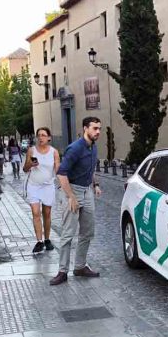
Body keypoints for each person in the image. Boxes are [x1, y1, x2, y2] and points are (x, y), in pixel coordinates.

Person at [50, 117, 103, 285]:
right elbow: (61, 173)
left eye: (99, 128)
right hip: (72, 191)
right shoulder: (75, 148)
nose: (98, 132)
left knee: (87, 231)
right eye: (95, 128)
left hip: (87, 191)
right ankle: (62, 271)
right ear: (85, 128)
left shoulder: (93, 147)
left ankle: (80, 266)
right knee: (67, 234)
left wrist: (95, 184)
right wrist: (71, 197)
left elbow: (91, 168)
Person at [23, 127, 60, 253]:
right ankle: (39, 241)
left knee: (47, 213)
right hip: (33, 186)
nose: (40, 138)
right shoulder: (31, 151)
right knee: (35, 213)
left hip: (48, 186)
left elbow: (58, 170)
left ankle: (47, 239)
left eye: (43, 135)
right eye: (39, 135)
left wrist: (62, 184)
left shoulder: (54, 152)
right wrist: (31, 164)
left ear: (49, 138)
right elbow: (25, 169)